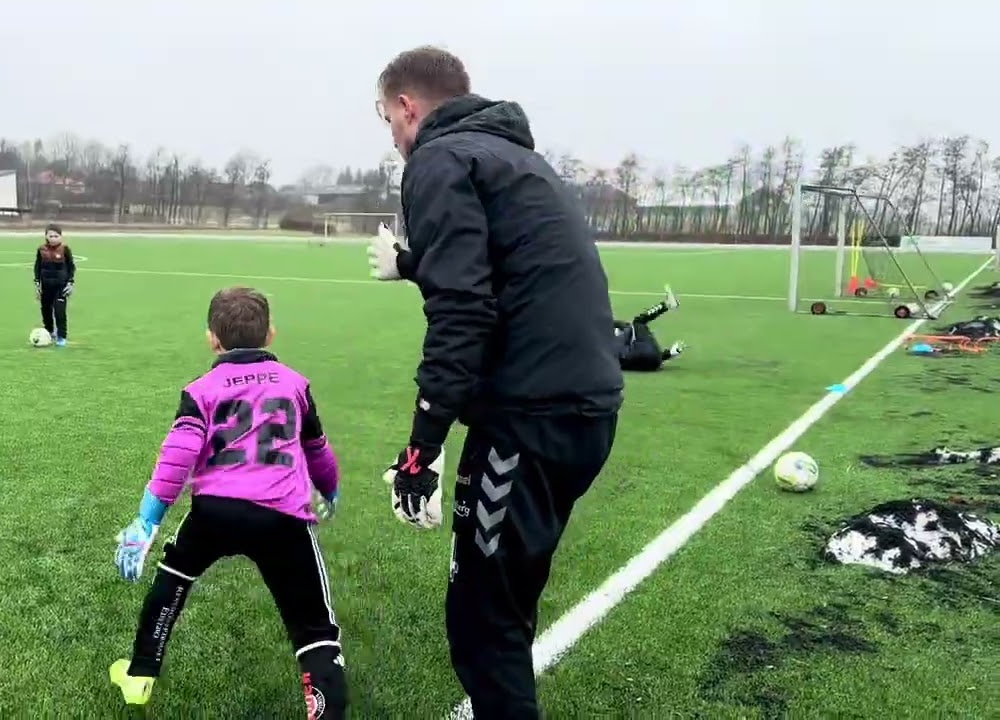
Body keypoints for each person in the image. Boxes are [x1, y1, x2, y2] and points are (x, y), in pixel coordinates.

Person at [367, 47, 623, 719]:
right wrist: (415, 262)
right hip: (583, 411)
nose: (390, 136)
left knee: (483, 627)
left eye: (385, 117)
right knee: (505, 600)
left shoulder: (437, 160)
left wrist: (420, 450)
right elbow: (506, 271)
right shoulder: (513, 157)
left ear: (407, 107)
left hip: (531, 418)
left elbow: (464, 310)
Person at [108, 287, 347, 719]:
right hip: (283, 516)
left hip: (215, 511)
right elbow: (317, 449)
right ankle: (325, 711)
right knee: (314, 627)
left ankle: (141, 673)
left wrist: (148, 520)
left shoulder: (201, 390)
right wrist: (329, 488)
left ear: (211, 339)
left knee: (173, 577)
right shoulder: (295, 384)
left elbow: (178, 456)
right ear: (270, 334)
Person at [616, 285, 687, 372]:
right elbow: (628, 328)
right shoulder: (609, 338)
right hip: (652, 358)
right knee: (638, 322)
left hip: (653, 363)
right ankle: (667, 304)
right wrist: (620, 325)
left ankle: (670, 354)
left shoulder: (600, 354)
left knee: (636, 352)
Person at [33, 224, 75, 346]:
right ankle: (49, 332)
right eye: (50, 236)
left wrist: (70, 283)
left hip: (60, 287)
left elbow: (71, 267)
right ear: (46, 236)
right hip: (46, 287)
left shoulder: (65, 249)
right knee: (46, 311)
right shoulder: (41, 250)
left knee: (59, 312)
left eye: (56, 236)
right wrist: (37, 284)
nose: (53, 238)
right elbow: (37, 267)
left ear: (60, 237)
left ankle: (61, 337)